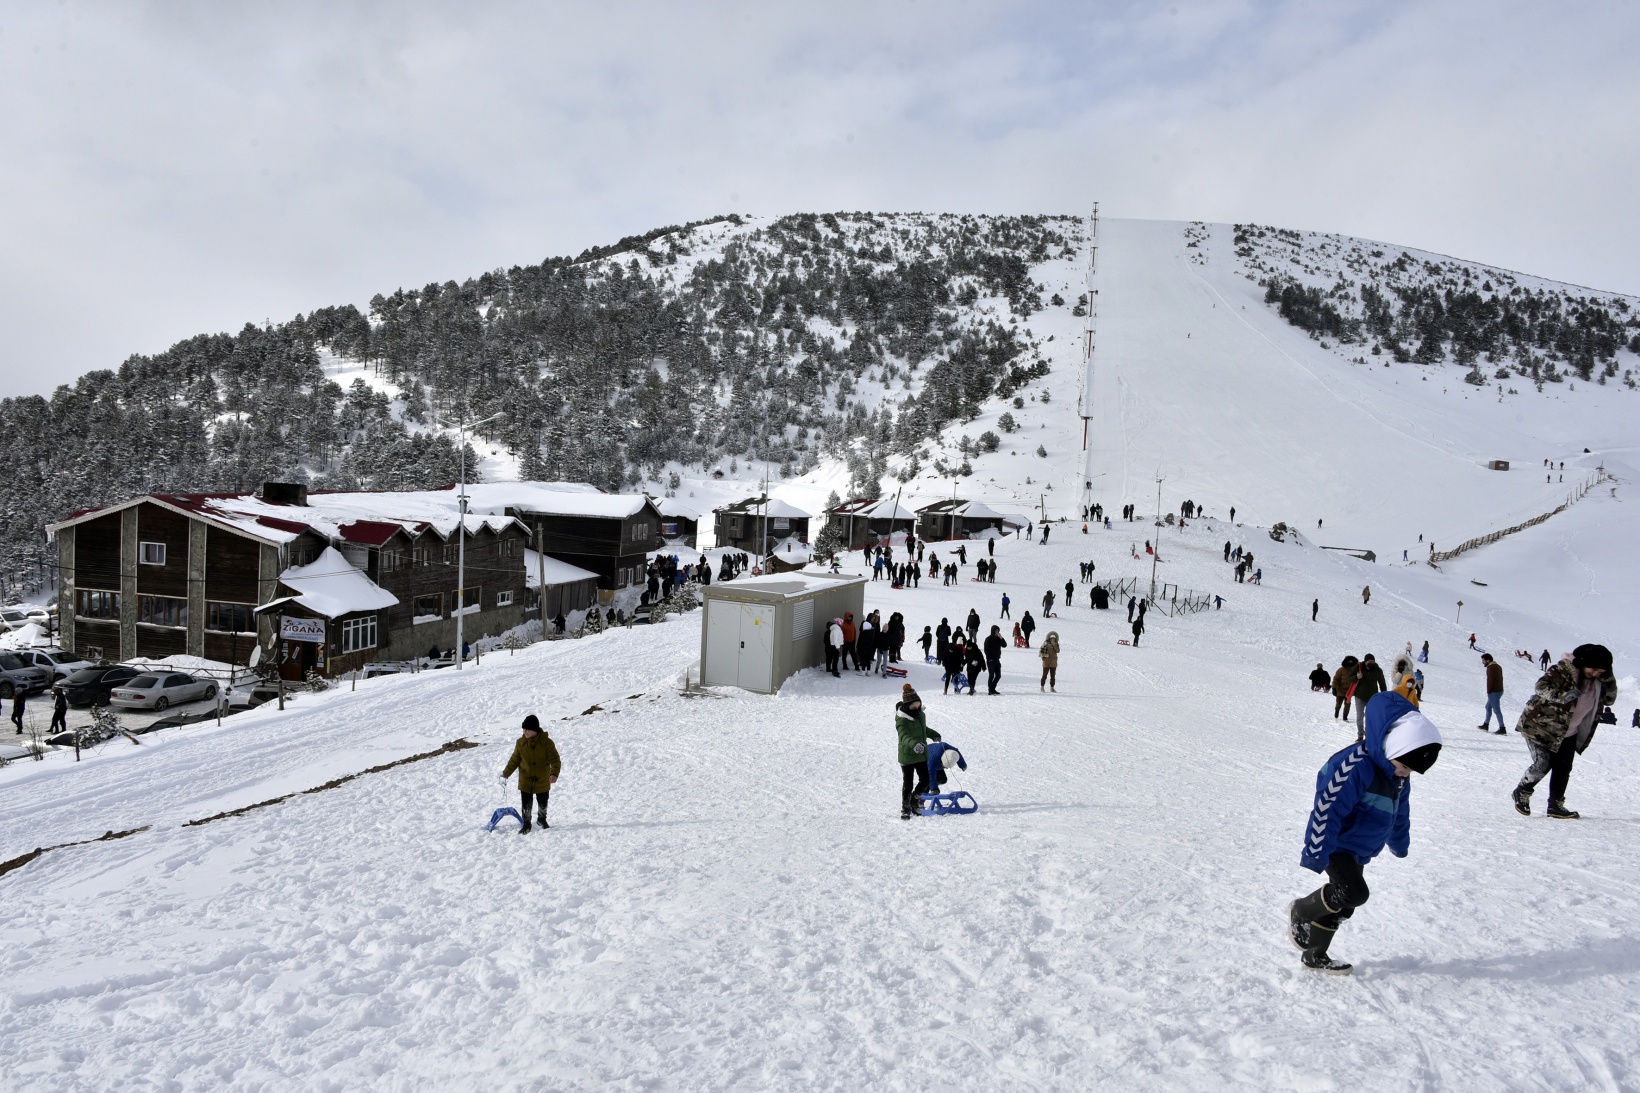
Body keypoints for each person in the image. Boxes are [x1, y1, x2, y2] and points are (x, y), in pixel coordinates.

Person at [1287, 691, 1443, 973]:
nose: (1406, 774)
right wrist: (1315, 852)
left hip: (1360, 848)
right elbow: (1327, 810)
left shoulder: (1396, 775)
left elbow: (1399, 812)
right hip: (1338, 844)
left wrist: (1399, 842)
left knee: (1345, 905)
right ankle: (1303, 909)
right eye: (1405, 766)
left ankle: (1315, 955)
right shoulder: (1354, 766)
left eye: (1411, 771)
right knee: (1353, 893)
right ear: (1393, 749)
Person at [1512, 645, 1617, 819]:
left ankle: (1555, 805)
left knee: (1563, 768)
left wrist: (1609, 679)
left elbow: (1609, 700)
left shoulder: (1599, 681)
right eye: (1594, 669)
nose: (1596, 673)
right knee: (1543, 764)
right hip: (1541, 726)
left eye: (1601, 671)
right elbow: (1540, 686)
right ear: (1583, 663)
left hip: (1569, 731)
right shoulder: (1563, 670)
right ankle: (1522, 790)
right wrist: (1561, 696)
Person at [499, 715, 561, 834]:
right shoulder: (520, 743)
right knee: (526, 803)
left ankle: (542, 819)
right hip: (526, 778)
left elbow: (555, 760)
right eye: (524, 729)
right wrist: (506, 773)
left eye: (528, 729)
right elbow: (514, 760)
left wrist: (554, 773)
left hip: (542, 778)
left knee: (543, 801)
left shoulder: (546, 743)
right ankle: (526, 824)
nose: (525, 732)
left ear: (535, 730)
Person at [896, 686, 941, 819]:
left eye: (918, 706)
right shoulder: (901, 720)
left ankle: (914, 800)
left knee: (926, 780)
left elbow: (923, 729)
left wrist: (933, 734)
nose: (917, 709)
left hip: (921, 754)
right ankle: (905, 807)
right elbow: (903, 737)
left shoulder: (921, 715)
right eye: (913, 707)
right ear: (907, 706)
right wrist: (914, 745)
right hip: (907, 756)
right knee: (908, 783)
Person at [1353, 655, 1388, 741]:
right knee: (1360, 717)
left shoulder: (1378, 670)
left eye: (1372, 661)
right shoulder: (1358, 667)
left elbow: (1382, 684)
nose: (1371, 663)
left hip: (1372, 697)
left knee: (1370, 717)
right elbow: (1349, 679)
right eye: (1369, 661)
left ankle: (1368, 736)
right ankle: (1360, 735)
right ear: (1365, 662)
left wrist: (1384, 696)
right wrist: (1357, 677)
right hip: (1359, 696)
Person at [1478, 653, 1505, 733]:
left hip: (1494, 691)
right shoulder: (1498, 666)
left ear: (1488, 660)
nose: (1482, 662)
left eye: (1483, 660)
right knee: (1488, 707)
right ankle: (1486, 724)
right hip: (1499, 690)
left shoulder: (1490, 668)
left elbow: (1490, 680)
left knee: (1496, 710)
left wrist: (1489, 691)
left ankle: (1502, 728)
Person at [983, 624, 1006, 695]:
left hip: (997, 660)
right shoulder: (988, 639)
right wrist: (989, 658)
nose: (997, 632)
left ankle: (992, 688)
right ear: (993, 631)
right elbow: (986, 650)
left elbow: (1004, 645)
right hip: (990, 661)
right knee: (991, 675)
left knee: (998, 675)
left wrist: (1001, 637)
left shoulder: (998, 638)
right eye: (996, 630)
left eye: (998, 630)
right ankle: (990, 690)